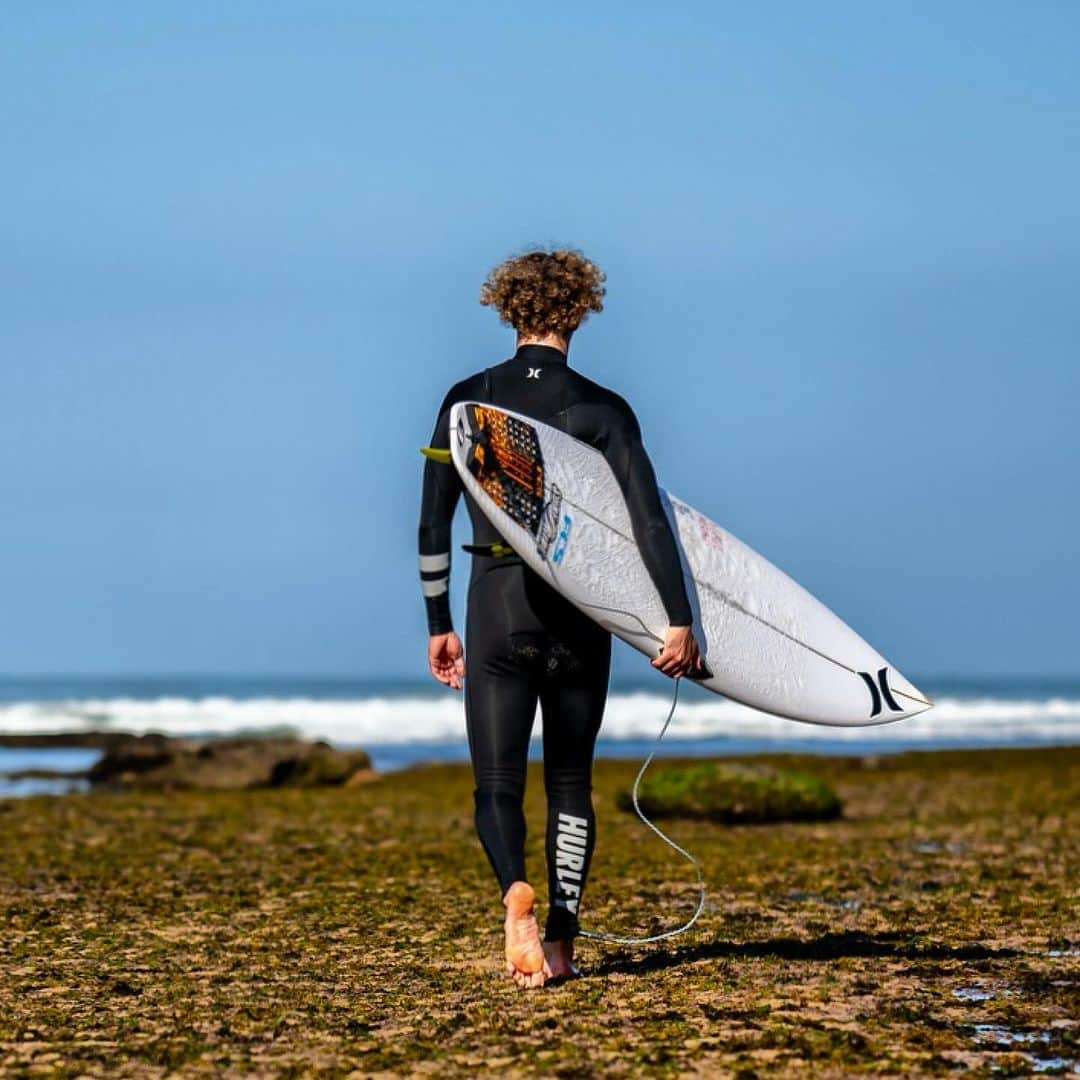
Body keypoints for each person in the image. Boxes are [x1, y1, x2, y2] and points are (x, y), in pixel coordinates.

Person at [418, 249, 702, 989]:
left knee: (496, 784)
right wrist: (677, 621)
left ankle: (515, 890)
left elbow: (429, 526)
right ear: (579, 312)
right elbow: (648, 527)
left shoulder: (464, 400)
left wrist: (438, 622)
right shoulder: (605, 411)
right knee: (571, 782)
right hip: (584, 617)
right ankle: (565, 944)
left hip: (494, 607)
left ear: (507, 311)